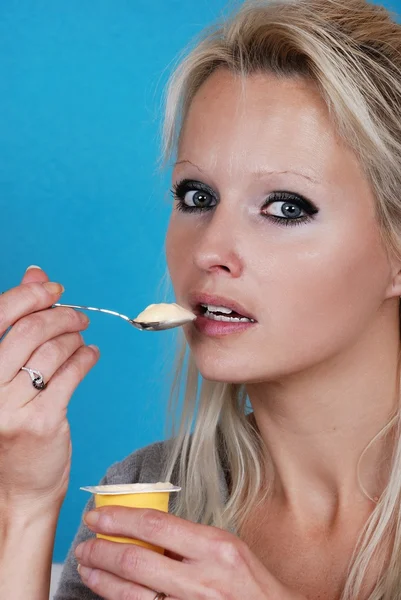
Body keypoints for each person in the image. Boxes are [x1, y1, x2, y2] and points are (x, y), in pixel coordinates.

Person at [2, 0, 401, 598]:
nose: (211, 247)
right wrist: (23, 505)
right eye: (196, 196)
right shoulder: (146, 497)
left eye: (286, 207)